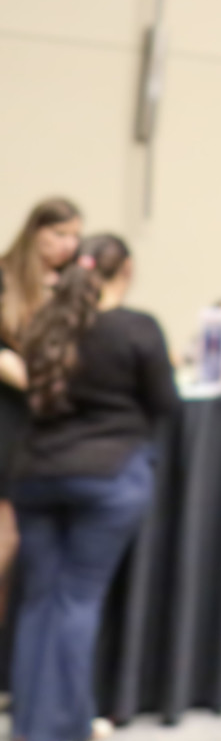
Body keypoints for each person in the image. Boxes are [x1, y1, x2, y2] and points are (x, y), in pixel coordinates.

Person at [9, 234, 177, 741]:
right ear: (124, 270)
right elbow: (166, 404)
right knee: (77, 599)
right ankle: (61, 729)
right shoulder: (136, 328)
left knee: (40, 597)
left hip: (36, 474)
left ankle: (29, 727)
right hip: (108, 476)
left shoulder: (44, 325)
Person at [0, 197, 83, 639]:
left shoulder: (72, 284)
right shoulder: (5, 276)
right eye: (59, 235)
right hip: (9, 413)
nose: (67, 245)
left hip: (48, 423)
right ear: (36, 233)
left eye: (74, 236)